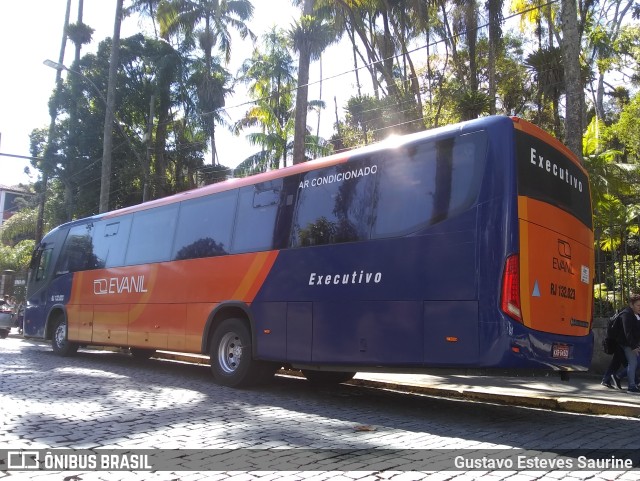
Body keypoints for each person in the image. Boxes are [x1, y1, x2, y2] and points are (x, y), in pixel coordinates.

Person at [602, 293, 640, 393]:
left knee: (618, 361)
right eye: (638, 305)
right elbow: (627, 332)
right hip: (623, 343)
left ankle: (612, 378)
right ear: (632, 305)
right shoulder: (627, 314)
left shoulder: (636, 314)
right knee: (633, 363)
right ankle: (632, 385)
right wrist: (634, 346)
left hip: (628, 343)